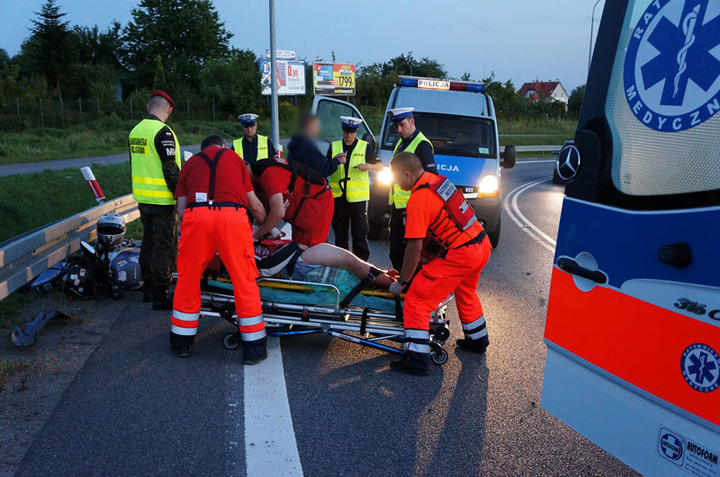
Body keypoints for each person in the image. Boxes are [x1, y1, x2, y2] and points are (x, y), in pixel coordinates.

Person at [388, 152, 491, 376]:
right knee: (467, 291)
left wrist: (403, 281)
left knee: (417, 299)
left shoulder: (418, 199)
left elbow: (414, 247)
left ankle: (415, 358)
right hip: (481, 244)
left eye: (396, 179)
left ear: (407, 175)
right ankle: (477, 339)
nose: (395, 183)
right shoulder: (438, 180)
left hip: (462, 253)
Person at [170, 135, 269, 364]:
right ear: (223, 147)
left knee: (188, 279)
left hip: (197, 217)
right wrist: (265, 225)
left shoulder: (191, 163)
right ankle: (254, 349)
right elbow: (254, 205)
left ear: (203, 149)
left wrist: (198, 228)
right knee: (243, 280)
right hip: (231, 218)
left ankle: (181, 344)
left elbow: (182, 209)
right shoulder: (235, 160)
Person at [128, 90, 182, 310]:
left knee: (148, 243)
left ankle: (148, 289)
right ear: (169, 109)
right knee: (164, 246)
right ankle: (161, 295)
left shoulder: (135, 131)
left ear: (148, 106)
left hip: (143, 198)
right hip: (163, 201)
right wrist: (181, 195)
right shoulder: (163, 132)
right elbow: (170, 169)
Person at [326, 117, 383, 261]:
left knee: (359, 234)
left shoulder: (364, 146)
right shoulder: (334, 146)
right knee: (340, 233)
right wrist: (335, 162)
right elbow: (326, 167)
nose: (349, 135)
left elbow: (380, 166)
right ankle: (342, 262)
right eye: (346, 132)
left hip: (358, 198)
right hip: (338, 196)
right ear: (342, 130)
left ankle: (361, 263)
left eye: (352, 132)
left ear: (356, 132)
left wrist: (367, 166)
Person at [386, 107, 437, 271]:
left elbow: (431, 178)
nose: (399, 130)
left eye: (402, 125)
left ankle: (408, 286)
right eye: (396, 127)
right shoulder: (403, 142)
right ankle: (406, 285)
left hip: (411, 209)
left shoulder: (422, 145)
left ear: (412, 121)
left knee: (406, 253)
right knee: (396, 252)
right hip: (399, 206)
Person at [253, 233, 394, 287]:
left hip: (295, 258)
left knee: (350, 263)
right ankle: (390, 283)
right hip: (293, 263)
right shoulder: (241, 254)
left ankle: (386, 277)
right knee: (349, 262)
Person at [251, 157, 334, 247]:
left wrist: (255, 236)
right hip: (300, 207)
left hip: (316, 203)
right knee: (297, 248)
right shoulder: (257, 174)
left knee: (308, 251)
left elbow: (278, 213)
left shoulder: (269, 174)